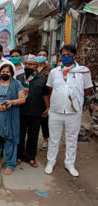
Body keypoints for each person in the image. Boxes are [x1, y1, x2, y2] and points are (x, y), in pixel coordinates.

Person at [45, 45, 93, 177]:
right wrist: (60, 97)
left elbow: (87, 89)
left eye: (68, 55)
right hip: (56, 111)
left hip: (74, 112)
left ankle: (70, 164)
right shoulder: (54, 72)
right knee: (54, 139)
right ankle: (51, 162)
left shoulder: (83, 71)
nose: (65, 57)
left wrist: (75, 98)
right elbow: (50, 88)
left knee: (71, 139)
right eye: (63, 55)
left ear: (75, 55)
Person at [16, 55, 50, 168]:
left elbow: (45, 94)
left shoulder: (42, 78)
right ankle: (19, 156)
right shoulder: (19, 77)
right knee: (19, 134)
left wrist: (47, 107)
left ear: (36, 66)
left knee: (33, 135)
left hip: (36, 111)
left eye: (30, 64)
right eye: (26, 64)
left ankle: (30, 157)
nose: (27, 66)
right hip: (20, 111)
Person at [37, 49, 53, 151]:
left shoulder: (51, 69)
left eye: (43, 55)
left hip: (46, 97)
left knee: (45, 120)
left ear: (47, 57)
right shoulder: (33, 66)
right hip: (34, 97)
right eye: (39, 54)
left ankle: (46, 139)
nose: (41, 56)